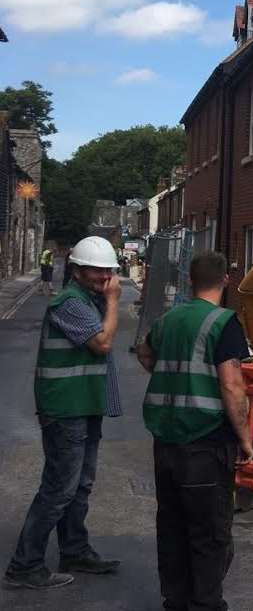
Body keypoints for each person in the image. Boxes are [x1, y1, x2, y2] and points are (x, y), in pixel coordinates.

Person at [4, 236, 123, 590]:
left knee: (80, 486)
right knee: (59, 489)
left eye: (108, 271)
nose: (104, 277)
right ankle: (25, 565)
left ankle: (74, 550)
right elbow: (102, 343)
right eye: (96, 270)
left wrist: (105, 300)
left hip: (85, 406)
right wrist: (114, 301)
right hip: (65, 410)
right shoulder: (68, 303)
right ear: (76, 269)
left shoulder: (89, 299)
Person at [136, 251, 253, 611]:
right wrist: (247, 440)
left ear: (190, 279)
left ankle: (176, 602)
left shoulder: (169, 319)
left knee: (171, 528)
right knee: (209, 534)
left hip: (166, 442)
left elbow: (145, 355)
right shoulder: (224, 322)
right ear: (225, 281)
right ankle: (205, 605)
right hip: (205, 444)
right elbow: (232, 386)